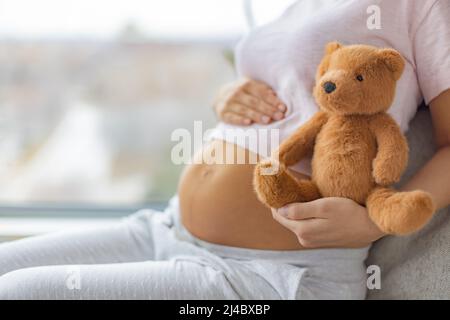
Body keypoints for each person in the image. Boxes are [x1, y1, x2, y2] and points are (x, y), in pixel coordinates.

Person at [0, 0, 449, 299]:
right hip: (166, 229)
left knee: (20, 292)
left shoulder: (421, 6)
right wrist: (228, 95)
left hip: (271, 279)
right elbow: (291, 95)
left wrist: (373, 222)